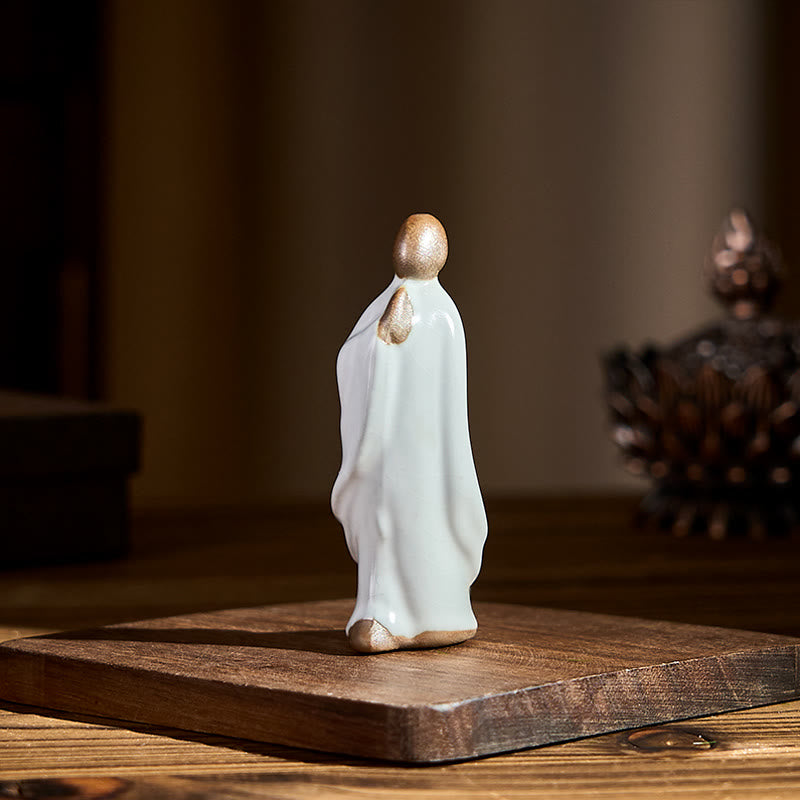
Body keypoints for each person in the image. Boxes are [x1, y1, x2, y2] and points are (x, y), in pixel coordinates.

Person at [331, 213, 487, 653]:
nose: (411, 250)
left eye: (421, 243)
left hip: (430, 452)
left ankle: (444, 614)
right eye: (409, 241)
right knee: (387, 525)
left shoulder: (443, 313)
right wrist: (382, 339)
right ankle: (383, 615)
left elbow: (451, 392)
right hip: (391, 450)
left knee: (428, 524)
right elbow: (351, 357)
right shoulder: (389, 301)